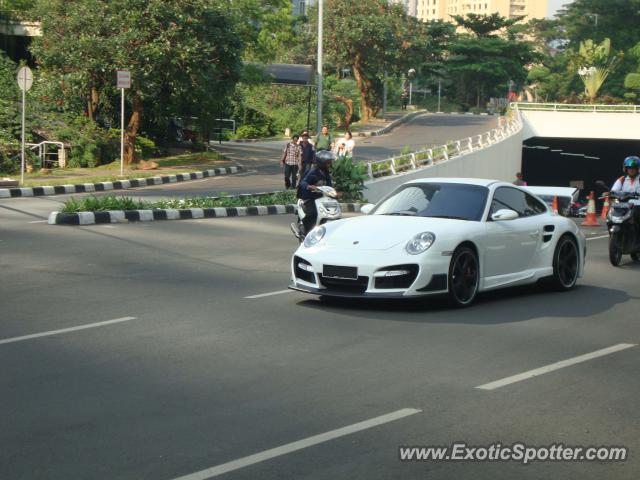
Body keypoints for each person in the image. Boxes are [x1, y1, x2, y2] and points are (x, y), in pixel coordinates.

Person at [299, 150, 335, 235]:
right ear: (322, 162)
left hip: (321, 197)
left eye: (330, 162)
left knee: (332, 211)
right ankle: (306, 233)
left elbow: (329, 185)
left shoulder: (326, 173)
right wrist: (309, 186)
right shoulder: (313, 172)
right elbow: (303, 183)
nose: (330, 164)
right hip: (310, 197)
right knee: (313, 213)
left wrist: (335, 192)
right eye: (328, 162)